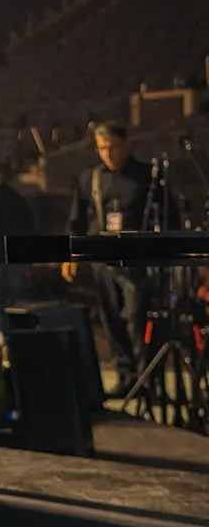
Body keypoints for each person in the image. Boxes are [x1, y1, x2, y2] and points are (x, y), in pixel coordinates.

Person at [64, 121, 169, 391]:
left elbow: (165, 216)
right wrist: (70, 253)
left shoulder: (146, 177)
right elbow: (77, 219)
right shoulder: (91, 178)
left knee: (137, 318)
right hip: (103, 259)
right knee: (111, 319)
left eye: (112, 147)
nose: (108, 154)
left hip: (137, 259)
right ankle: (125, 375)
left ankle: (146, 376)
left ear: (125, 145)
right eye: (102, 148)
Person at [0, 160, 35, 336]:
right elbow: (28, 227)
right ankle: (24, 335)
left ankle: (3, 336)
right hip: (16, 254)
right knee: (20, 297)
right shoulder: (17, 199)